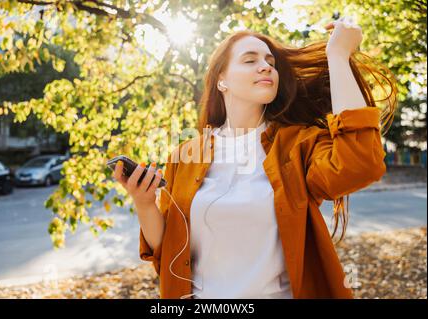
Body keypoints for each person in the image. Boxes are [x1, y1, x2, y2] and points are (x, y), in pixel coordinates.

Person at [113, 17, 397, 299]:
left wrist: (337, 55)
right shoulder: (185, 155)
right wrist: (144, 203)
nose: (265, 66)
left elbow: (360, 164)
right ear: (221, 80)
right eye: (250, 60)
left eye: (271, 63)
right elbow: (168, 248)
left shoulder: (298, 144)